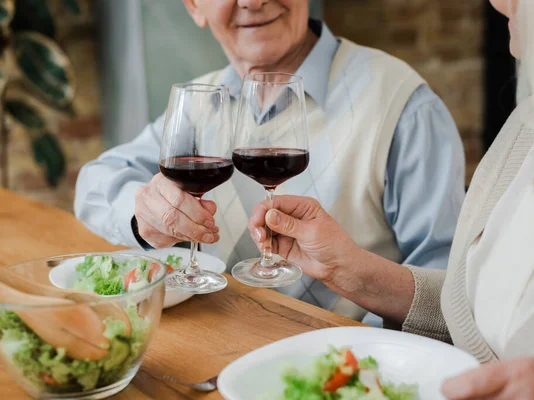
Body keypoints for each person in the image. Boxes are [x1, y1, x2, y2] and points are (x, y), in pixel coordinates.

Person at [246, 0, 534, 398]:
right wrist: (348, 270)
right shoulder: (532, 121)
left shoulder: (401, 101)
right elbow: (470, 315)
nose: (497, 2)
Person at [75, 0, 465, 324]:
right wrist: (143, 213)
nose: (252, 1)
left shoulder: (405, 106)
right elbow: (96, 180)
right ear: (194, 5)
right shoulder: (200, 103)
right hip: (211, 363)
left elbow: (454, 296)